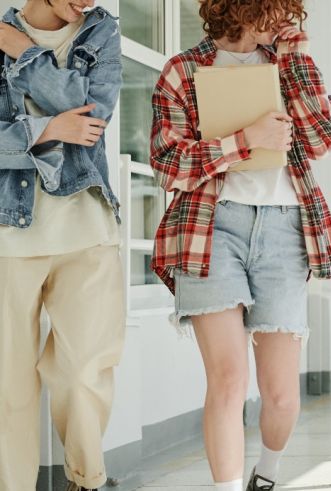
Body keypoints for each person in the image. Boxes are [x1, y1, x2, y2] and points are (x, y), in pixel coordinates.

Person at [148, 1, 331, 489]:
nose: (284, 22)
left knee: (280, 397)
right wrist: (244, 139)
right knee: (229, 380)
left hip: (285, 229)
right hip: (208, 228)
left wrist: (294, 59)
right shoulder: (183, 70)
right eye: (275, 10)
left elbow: (321, 139)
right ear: (242, 7)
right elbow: (168, 163)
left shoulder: (290, 64)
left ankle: (267, 475)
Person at [0, 1, 123, 490]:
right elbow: (69, 114)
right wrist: (47, 129)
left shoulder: (102, 31)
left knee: (83, 374)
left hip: (88, 228)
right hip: (9, 233)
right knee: (8, 384)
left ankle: (87, 481)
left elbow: (94, 114)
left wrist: (25, 53)